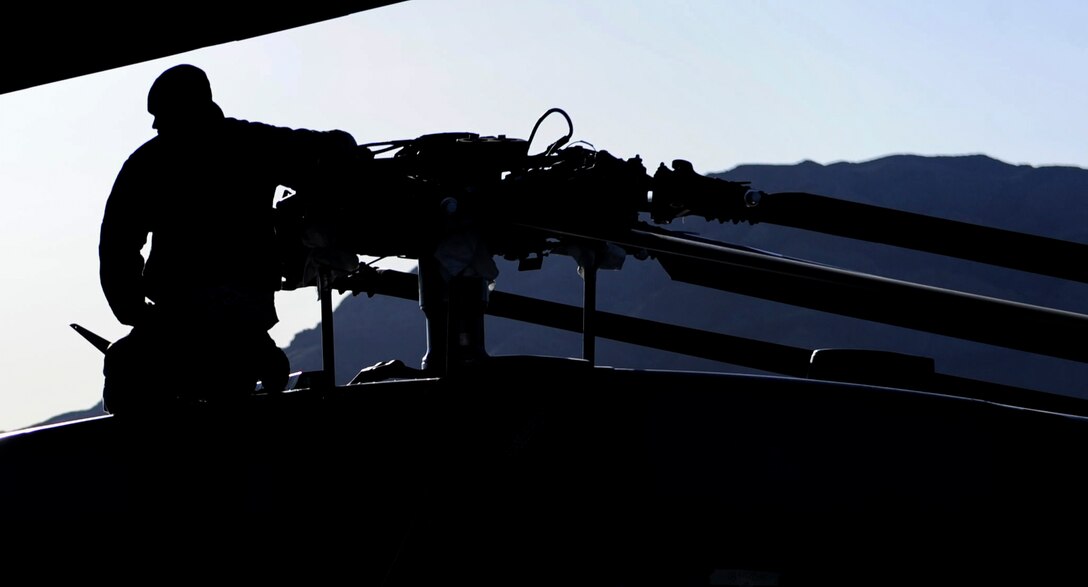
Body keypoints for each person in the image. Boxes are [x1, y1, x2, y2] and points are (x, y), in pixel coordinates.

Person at [99, 64, 358, 415]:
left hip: (195, 317)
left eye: (160, 115)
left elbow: (116, 245)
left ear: (181, 108)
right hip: (235, 315)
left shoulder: (149, 163)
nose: (155, 125)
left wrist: (132, 311)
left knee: (125, 372)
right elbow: (329, 146)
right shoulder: (253, 143)